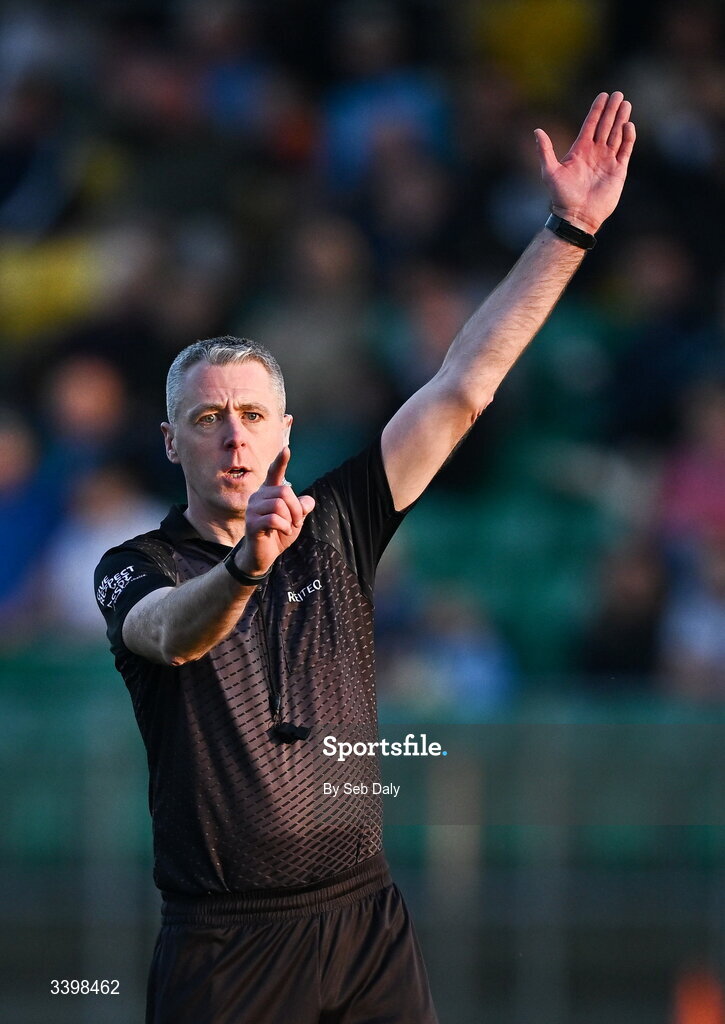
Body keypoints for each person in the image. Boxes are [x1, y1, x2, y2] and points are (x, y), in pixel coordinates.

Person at [94, 91, 635, 1024]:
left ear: (285, 435)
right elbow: (169, 633)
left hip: (364, 921)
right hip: (227, 947)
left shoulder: (338, 518)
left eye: (252, 416)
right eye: (207, 419)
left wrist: (568, 229)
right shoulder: (135, 562)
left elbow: (463, 386)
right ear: (170, 442)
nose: (232, 438)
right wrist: (246, 569)